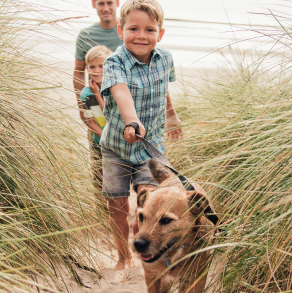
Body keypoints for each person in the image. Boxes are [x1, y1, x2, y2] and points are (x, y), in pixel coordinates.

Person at [99, 0, 183, 270]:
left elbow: (163, 89)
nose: (141, 36)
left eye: (149, 30)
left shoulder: (165, 58)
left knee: (151, 196)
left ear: (160, 34)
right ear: (121, 31)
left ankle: (147, 235)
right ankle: (123, 257)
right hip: (117, 146)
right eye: (134, 28)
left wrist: (171, 115)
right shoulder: (114, 62)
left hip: (151, 146)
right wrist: (131, 121)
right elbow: (121, 92)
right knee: (117, 203)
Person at [74, 0, 123, 195]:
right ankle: (103, 216)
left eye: (109, 2)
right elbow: (78, 71)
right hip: (94, 109)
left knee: (124, 172)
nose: (105, 8)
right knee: (99, 170)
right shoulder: (86, 35)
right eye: (100, 3)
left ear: (117, 3)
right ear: (94, 4)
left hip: (121, 113)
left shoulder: (126, 31)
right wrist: (82, 105)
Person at [80, 46, 113, 193]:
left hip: (118, 141)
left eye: (102, 66)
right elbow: (91, 122)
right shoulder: (86, 93)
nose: (97, 70)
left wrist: (97, 94)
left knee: (116, 180)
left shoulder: (115, 88)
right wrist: (104, 137)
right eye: (92, 67)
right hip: (99, 142)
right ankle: (101, 212)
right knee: (99, 178)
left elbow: (111, 114)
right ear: (87, 69)